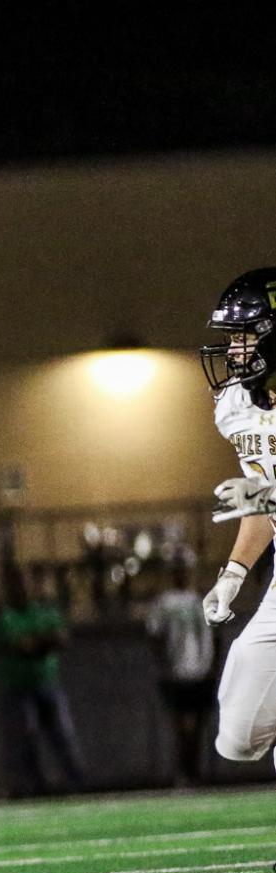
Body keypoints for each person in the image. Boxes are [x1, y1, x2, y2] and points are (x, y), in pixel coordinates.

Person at [197, 268, 276, 771]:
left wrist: (266, 498)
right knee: (238, 735)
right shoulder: (237, 408)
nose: (232, 351)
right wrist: (233, 574)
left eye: (243, 336)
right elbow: (265, 502)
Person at [0, 563, 85, 796]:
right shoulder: (5, 616)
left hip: (48, 684)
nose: (21, 588)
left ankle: (78, 786)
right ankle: (35, 788)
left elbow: (61, 639)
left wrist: (35, 642)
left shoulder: (44, 611)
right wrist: (42, 641)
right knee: (26, 738)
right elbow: (20, 646)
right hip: (18, 688)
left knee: (64, 735)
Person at [146, 561, 215, 786]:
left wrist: (211, 665)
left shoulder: (199, 600)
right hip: (178, 671)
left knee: (195, 727)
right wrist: (163, 665)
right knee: (183, 726)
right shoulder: (166, 603)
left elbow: (213, 635)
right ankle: (185, 772)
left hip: (199, 671)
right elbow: (155, 636)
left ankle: (191, 772)